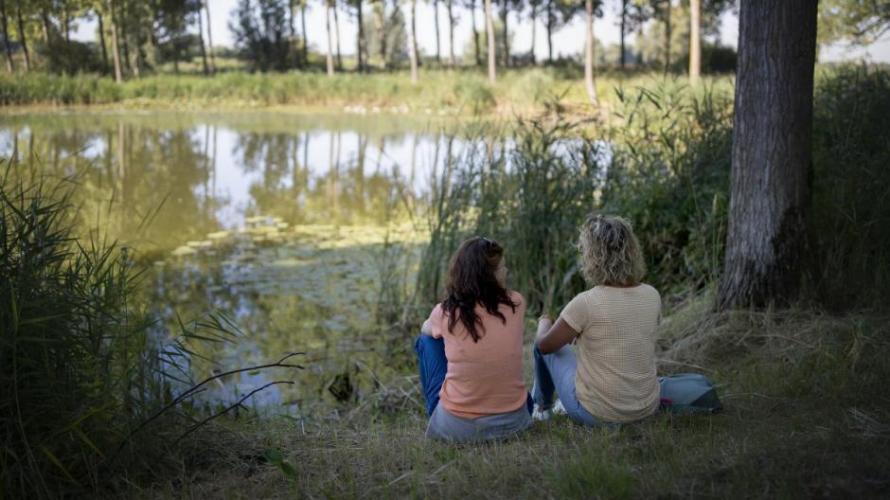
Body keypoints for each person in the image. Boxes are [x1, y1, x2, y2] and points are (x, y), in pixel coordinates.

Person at [532, 214, 661, 427]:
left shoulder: (586, 302)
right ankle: (557, 403)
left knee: (546, 345)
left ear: (592, 256)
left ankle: (542, 408)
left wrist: (544, 320)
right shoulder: (652, 294)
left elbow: (544, 346)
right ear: (632, 250)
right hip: (647, 408)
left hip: (597, 414)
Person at [414, 236, 532, 442]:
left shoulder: (445, 312)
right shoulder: (516, 303)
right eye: (501, 268)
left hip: (457, 430)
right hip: (515, 422)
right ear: (488, 276)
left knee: (426, 341)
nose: (506, 271)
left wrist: (441, 328)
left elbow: (425, 330)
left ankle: (439, 414)